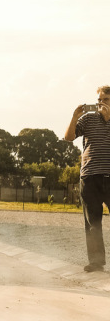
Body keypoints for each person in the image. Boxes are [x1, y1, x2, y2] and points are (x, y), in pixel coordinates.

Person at [63, 86, 110, 272]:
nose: (100, 103)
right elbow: (68, 137)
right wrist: (74, 117)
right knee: (93, 222)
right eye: (99, 100)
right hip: (90, 177)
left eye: (105, 99)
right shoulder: (88, 118)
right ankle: (97, 262)